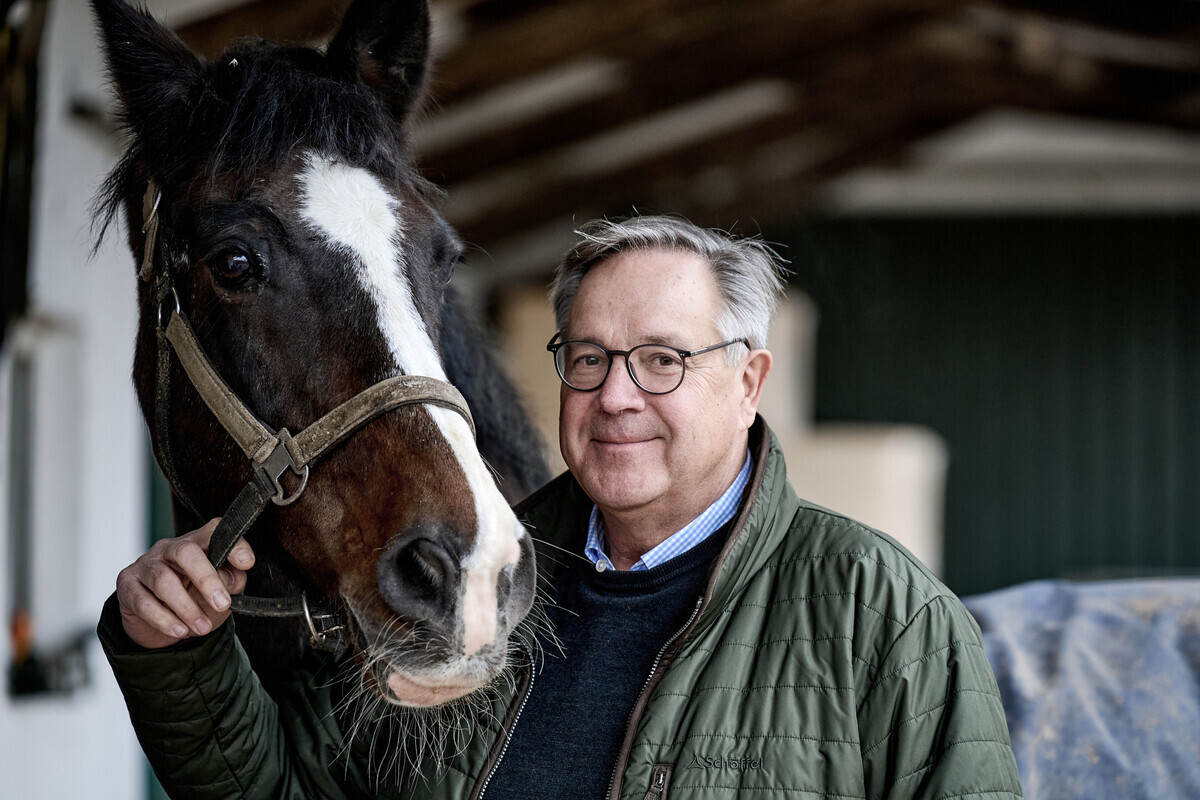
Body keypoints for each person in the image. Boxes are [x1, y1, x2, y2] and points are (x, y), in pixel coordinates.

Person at [99, 215, 1022, 799]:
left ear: (748, 383)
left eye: (662, 360)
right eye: (588, 359)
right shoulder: (460, 577)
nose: (616, 396)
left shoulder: (885, 615)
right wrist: (181, 651)